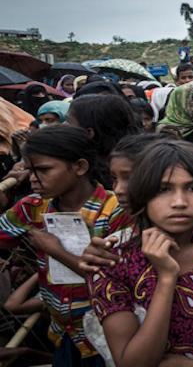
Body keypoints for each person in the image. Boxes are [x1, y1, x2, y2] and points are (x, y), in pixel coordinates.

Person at [87, 140, 193, 367]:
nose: (179, 202)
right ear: (142, 195)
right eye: (163, 189)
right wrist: (167, 278)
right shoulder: (113, 265)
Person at [0, 126, 130, 367]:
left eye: (43, 170)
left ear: (79, 167)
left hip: (106, 335)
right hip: (63, 332)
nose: (33, 179)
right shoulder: (33, 207)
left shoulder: (116, 212)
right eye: (30, 171)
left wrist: (56, 251)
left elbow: (115, 280)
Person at [67, 94, 142, 188]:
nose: (64, 126)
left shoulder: (84, 174)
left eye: (69, 122)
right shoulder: (147, 157)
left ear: (89, 132)